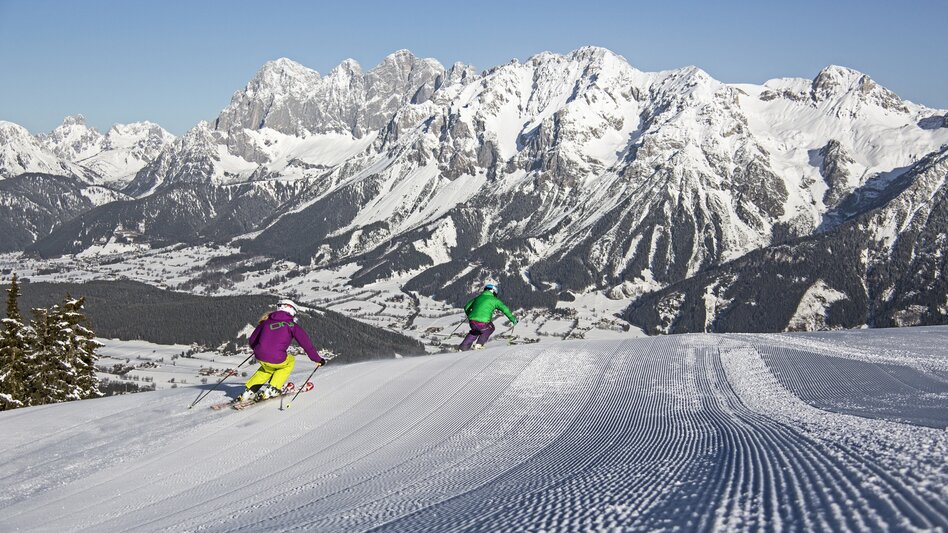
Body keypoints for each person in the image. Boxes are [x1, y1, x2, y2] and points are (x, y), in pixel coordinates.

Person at [237, 299, 325, 402]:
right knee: (290, 361)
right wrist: (317, 359)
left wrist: (259, 349)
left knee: (267, 369)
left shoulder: (265, 322)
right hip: (277, 357)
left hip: (260, 355)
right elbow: (307, 345)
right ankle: (273, 389)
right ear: (291, 310)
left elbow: (252, 340)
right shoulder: (292, 326)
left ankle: (248, 392)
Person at [459, 283, 517, 351]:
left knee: (474, 332)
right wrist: (513, 319)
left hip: (472, 322)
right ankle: (479, 344)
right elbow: (505, 309)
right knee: (490, 328)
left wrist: (469, 314)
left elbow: (466, 307)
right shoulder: (494, 300)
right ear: (493, 291)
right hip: (483, 323)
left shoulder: (477, 298)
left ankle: (463, 347)